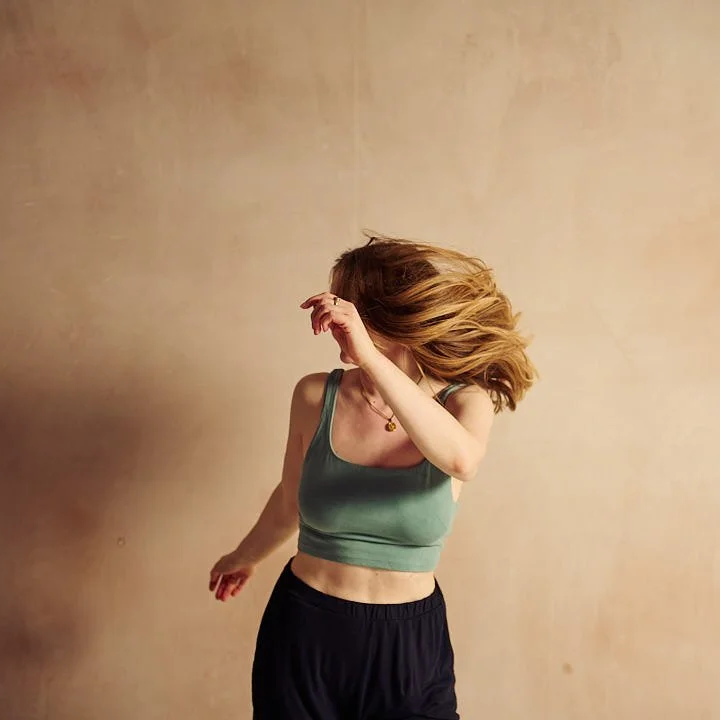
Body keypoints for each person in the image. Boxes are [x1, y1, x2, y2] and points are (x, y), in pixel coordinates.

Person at [208, 235, 536, 720]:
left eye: (346, 304)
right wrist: (244, 556)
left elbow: (461, 460)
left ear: (385, 317)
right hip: (305, 628)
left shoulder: (465, 402)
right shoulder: (315, 396)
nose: (334, 316)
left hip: (408, 643)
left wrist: (371, 359)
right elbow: (289, 501)